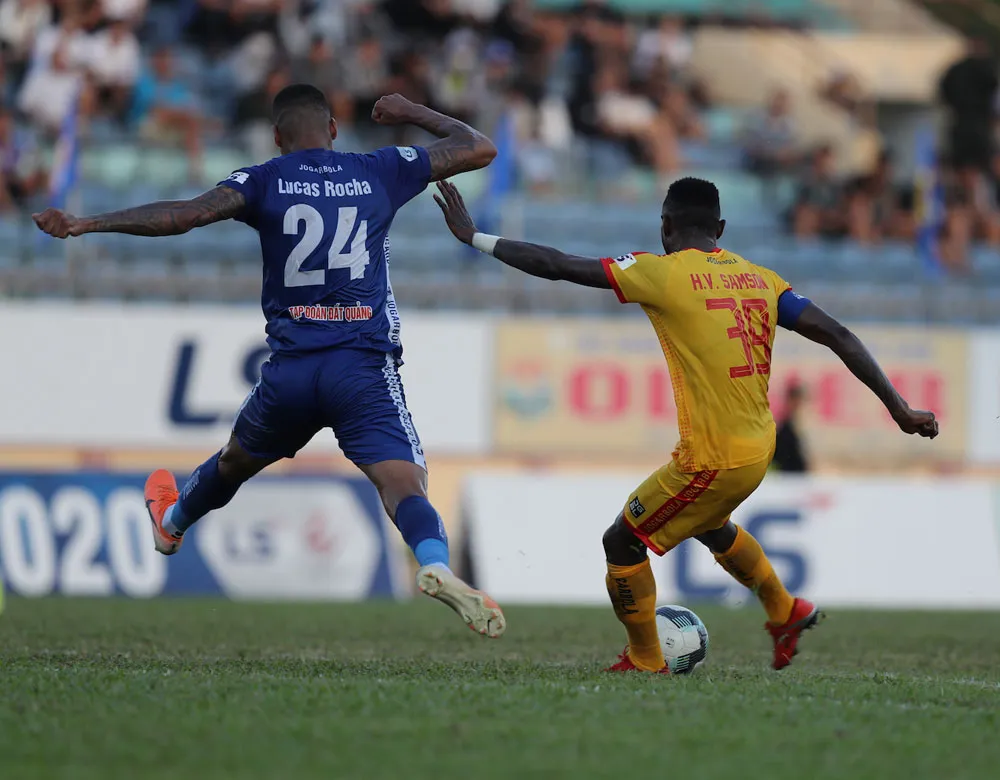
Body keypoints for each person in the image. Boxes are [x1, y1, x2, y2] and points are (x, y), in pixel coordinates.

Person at [32, 86, 505, 639]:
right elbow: (479, 147)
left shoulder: (263, 179)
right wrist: (410, 112)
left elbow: (183, 216)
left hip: (292, 371)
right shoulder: (378, 169)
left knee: (233, 463)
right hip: (361, 367)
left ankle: (172, 524)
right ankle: (434, 564)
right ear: (333, 129)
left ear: (277, 137)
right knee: (403, 483)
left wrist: (86, 223)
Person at [432, 176, 939, 672]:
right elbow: (839, 334)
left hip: (713, 459)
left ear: (665, 226)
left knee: (621, 541)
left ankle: (646, 659)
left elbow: (559, 265)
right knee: (708, 524)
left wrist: (475, 237)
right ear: (720, 228)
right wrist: (899, 408)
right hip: (758, 446)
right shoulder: (762, 279)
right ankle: (785, 609)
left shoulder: (661, 272)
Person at [773, 383, 809, 473]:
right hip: (788, 474)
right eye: (796, 400)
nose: (799, 404)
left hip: (796, 474)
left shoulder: (796, 423)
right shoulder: (783, 426)